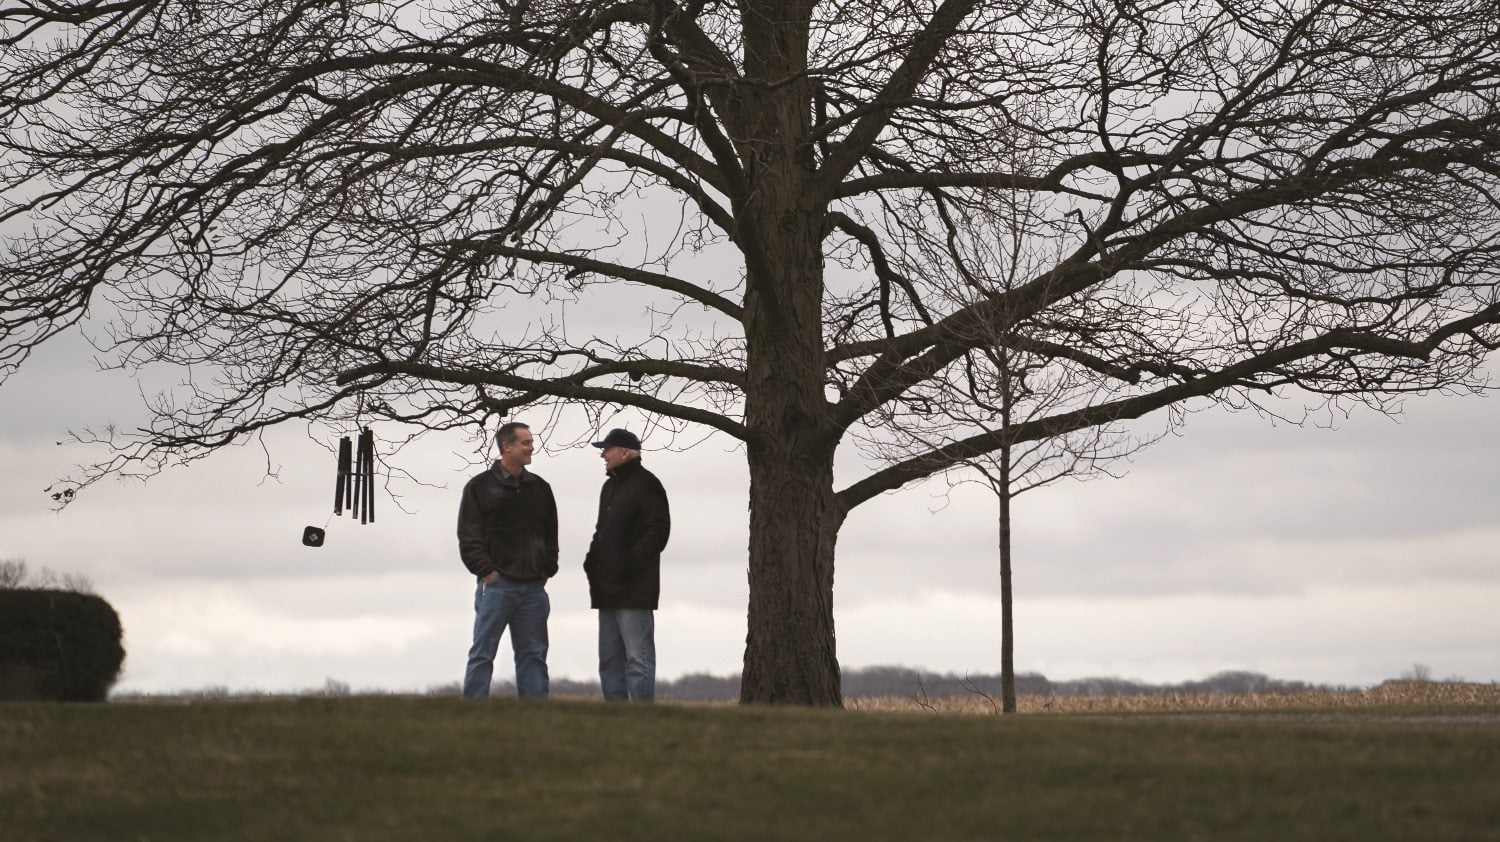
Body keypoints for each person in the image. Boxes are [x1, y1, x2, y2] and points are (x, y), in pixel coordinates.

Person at [457, 421, 559, 700]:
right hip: (497, 586)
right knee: (483, 652)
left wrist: (547, 567)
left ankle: (534, 714)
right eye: (526, 443)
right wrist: (488, 573)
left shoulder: (540, 488)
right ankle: (473, 712)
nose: (532, 447)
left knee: (534, 654)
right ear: (507, 446)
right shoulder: (479, 487)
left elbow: (551, 533)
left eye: (531, 442)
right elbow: (469, 536)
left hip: (533, 588)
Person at [583, 428, 671, 702]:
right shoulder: (609, 487)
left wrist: (629, 563)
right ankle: (615, 717)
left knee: (637, 658)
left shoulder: (647, 484)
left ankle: (642, 717)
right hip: (606, 588)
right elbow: (602, 532)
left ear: (623, 452)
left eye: (607, 450)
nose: (603, 455)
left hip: (635, 589)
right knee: (609, 660)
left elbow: (658, 531)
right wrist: (592, 562)